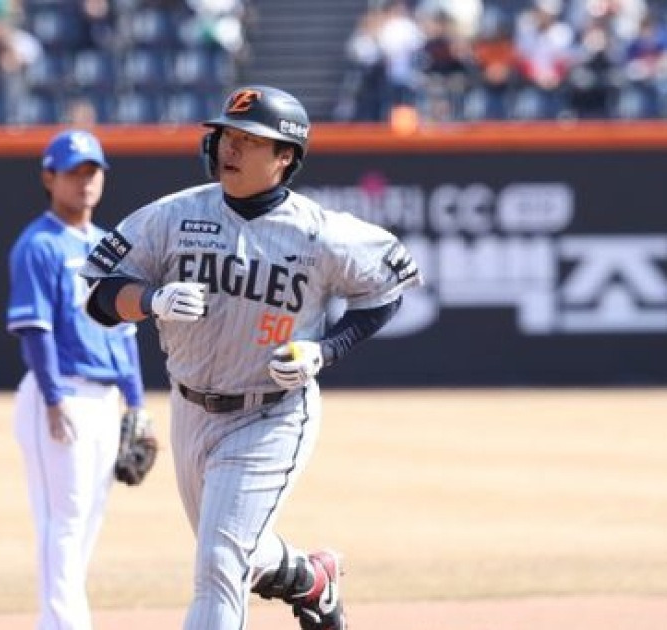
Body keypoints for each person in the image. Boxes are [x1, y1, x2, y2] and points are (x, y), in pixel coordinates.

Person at [79, 85, 423, 630]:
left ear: (285, 156)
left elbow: (385, 289)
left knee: (218, 565)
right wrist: (149, 300)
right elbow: (98, 295)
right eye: (226, 136)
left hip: (271, 413)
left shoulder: (320, 232)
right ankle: (313, 580)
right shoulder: (171, 216)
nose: (228, 149)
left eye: (248, 140)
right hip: (190, 410)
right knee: (238, 551)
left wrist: (325, 350)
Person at [7, 129, 150, 630]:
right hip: (61, 393)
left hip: (106, 399)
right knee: (61, 521)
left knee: (87, 519)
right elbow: (35, 329)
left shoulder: (108, 249)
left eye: (92, 171)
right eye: (73, 172)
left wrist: (137, 403)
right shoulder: (38, 245)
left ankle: (61, 622)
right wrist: (51, 397)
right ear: (50, 178)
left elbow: (125, 335)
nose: (85, 181)